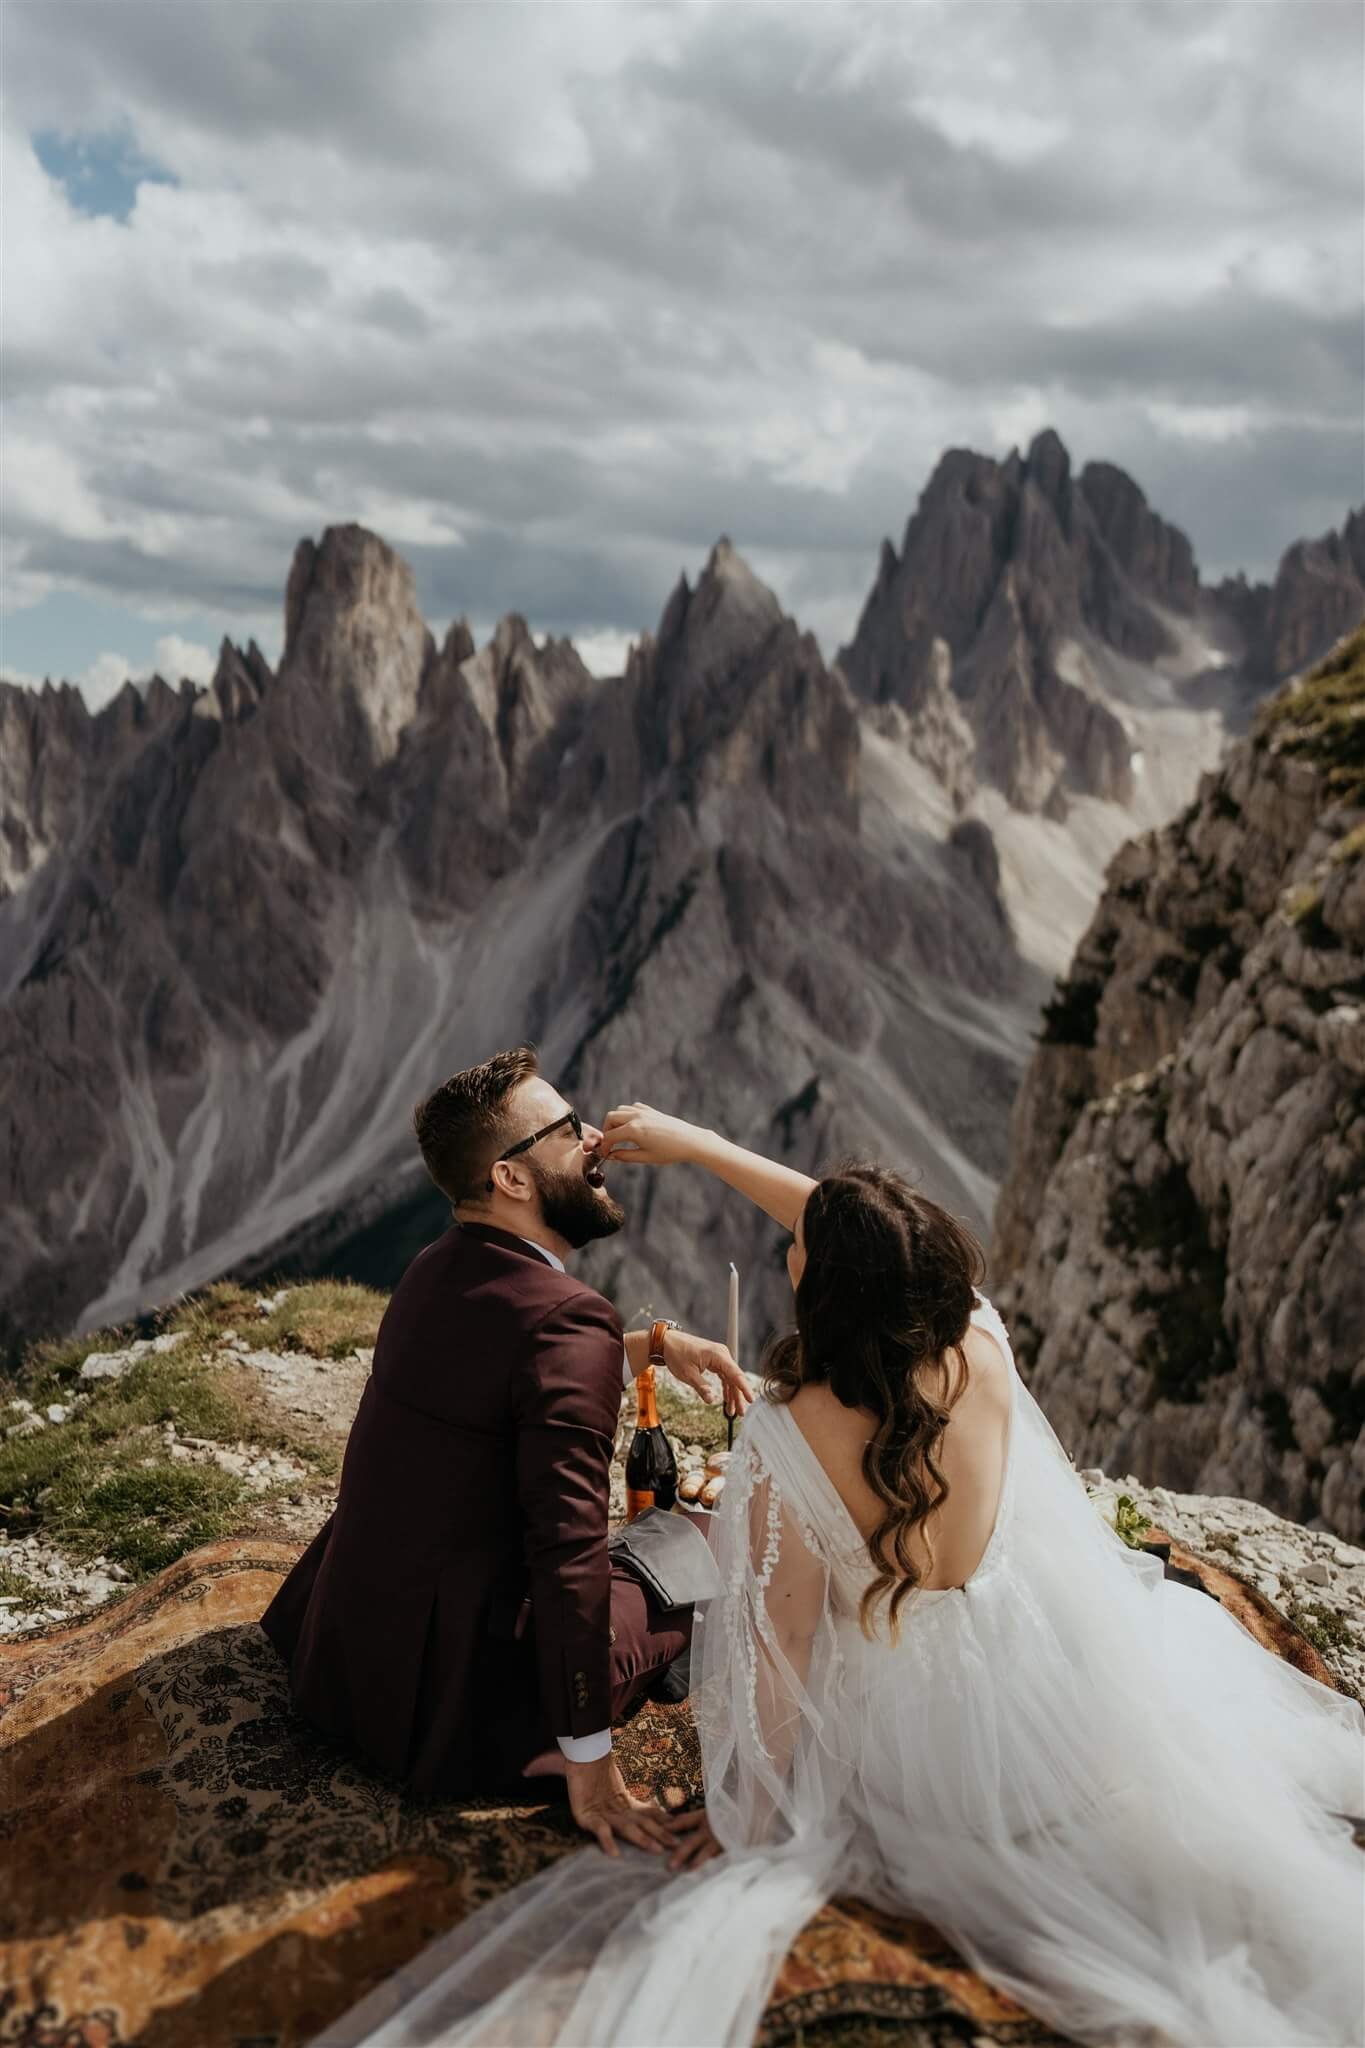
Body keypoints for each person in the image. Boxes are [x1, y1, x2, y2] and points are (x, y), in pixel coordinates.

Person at [314, 1107, 1365, 2048]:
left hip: (911, 1733)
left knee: (690, 1574)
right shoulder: (979, 1335)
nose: (786, 1241)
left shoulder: (790, 1435)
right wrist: (704, 1146)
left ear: (830, 1287)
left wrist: (743, 1816)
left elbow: (783, 1662)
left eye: (799, 1247)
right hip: (1043, 1677)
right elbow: (864, 1228)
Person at [261, 1055, 752, 1856]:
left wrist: (648, 1348)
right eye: (566, 1130)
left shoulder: (435, 1268)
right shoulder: (565, 1319)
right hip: (458, 1708)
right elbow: (566, 1562)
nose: (594, 1140)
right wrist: (589, 1764)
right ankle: (664, 1667)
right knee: (710, 1538)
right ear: (512, 1179)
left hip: (348, 1662)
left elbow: (498, 1380)